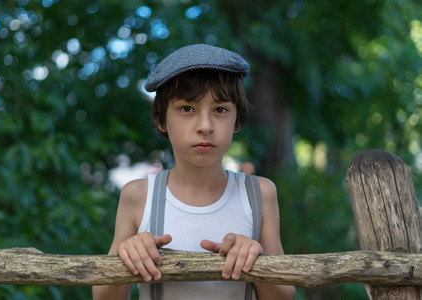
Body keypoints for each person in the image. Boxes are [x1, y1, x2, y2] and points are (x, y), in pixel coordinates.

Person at [92, 44, 295, 300]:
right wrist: (125, 256)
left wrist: (258, 263)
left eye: (220, 109)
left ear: (238, 119)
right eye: (187, 108)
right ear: (161, 119)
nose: (205, 126)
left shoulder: (259, 193)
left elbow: (284, 297)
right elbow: (104, 297)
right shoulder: (138, 196)